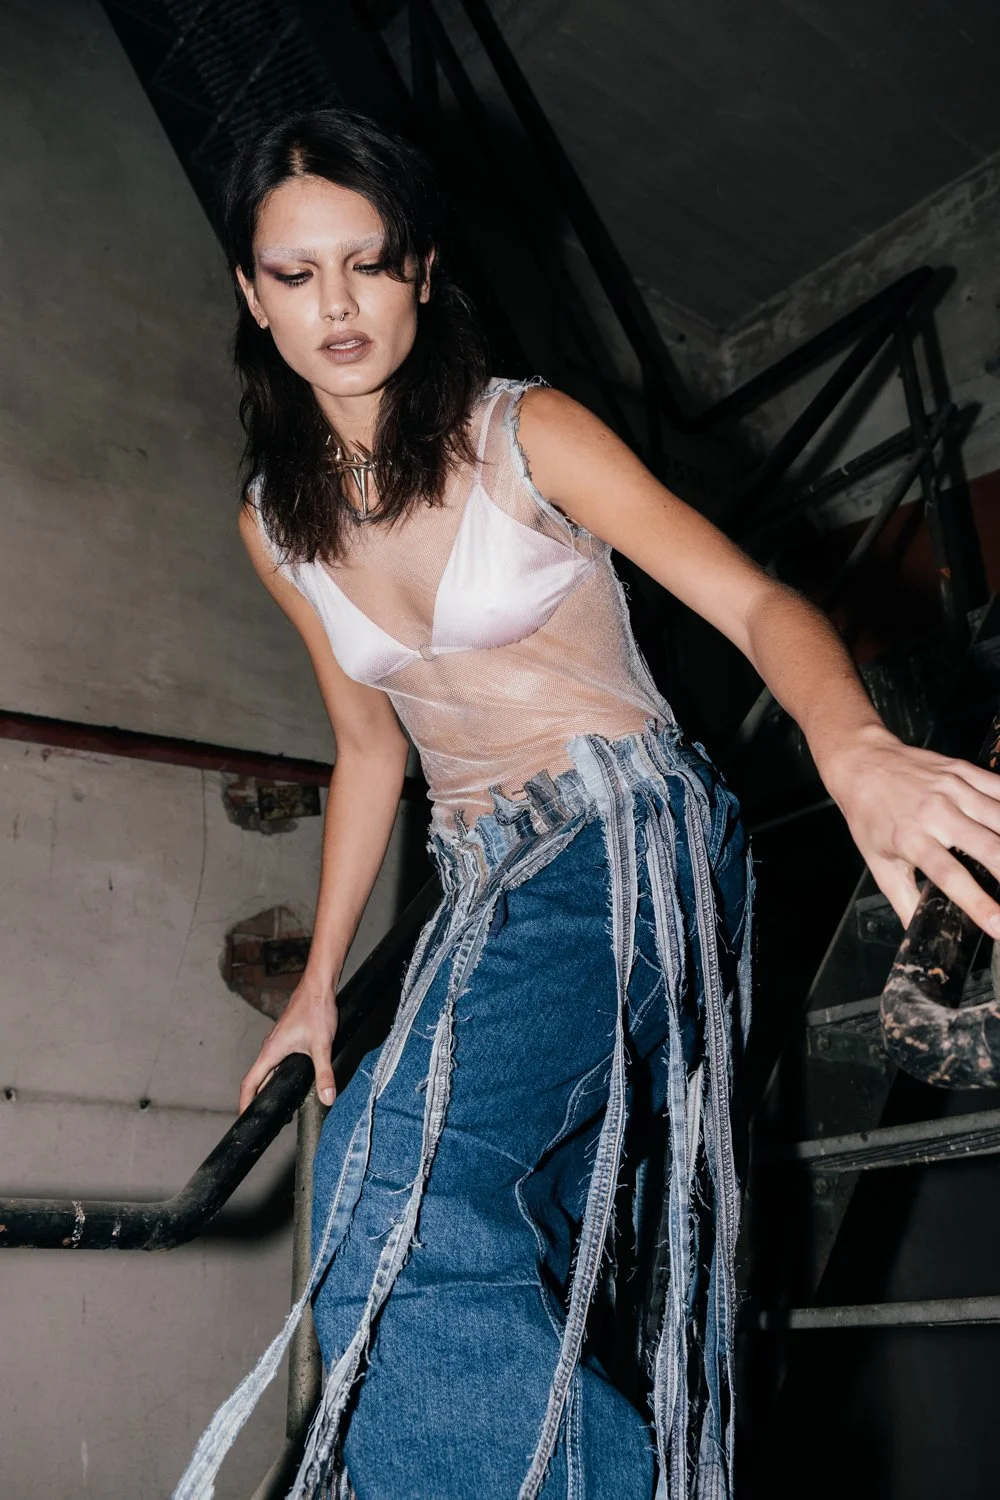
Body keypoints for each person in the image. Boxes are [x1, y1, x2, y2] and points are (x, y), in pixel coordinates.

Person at [173, 110, 1000, 1500]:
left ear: (422, 270)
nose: (337, 305)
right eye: (297, 274)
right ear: (253, 297)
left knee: (392, 1186)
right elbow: (368, 749)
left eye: (368, 263)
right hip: (482, 886)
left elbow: (756, 602)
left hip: (625, 841)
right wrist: (317, 985)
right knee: (494, 1235)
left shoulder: (523, 431)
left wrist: (854, 744)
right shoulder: (276, 522)